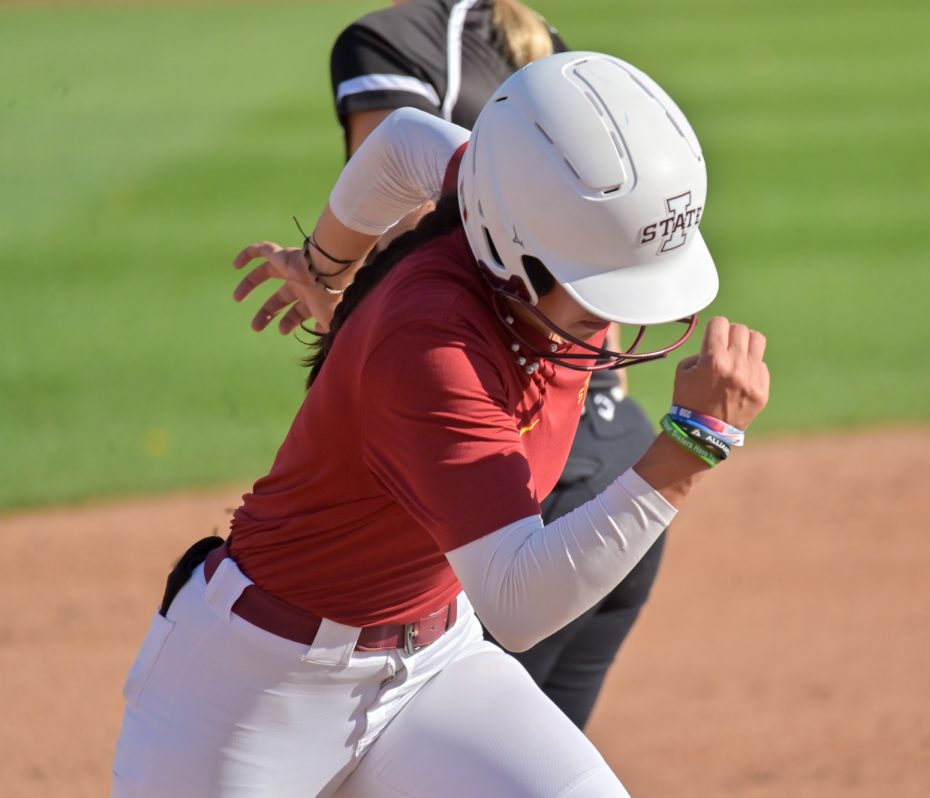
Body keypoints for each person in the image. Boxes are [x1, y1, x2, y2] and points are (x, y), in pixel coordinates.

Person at [112, 52, 768, 797]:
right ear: (514, 256)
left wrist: (324, 266)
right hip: (252, 695)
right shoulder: (433, 345)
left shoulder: (499, 197)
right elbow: (518, 603)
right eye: (597, 289)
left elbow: (400, 145)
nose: (616, 319)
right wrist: (694, 442)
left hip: (432, 669)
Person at [237, 0, 669, 730]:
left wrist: (331, 281)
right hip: (607, 446)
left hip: (509, 492)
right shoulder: (548, 49)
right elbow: (588, 267)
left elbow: (415, 235)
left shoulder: (388, 38)